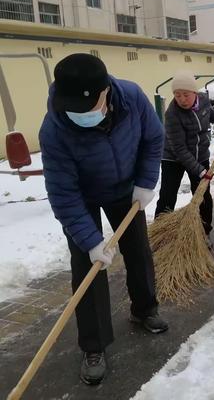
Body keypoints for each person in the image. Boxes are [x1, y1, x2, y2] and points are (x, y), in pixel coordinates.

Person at [39, 54, 167, 386]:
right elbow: (63, 194)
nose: (80, 116)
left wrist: (145, 181)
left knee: (137, 249)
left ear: (105, 92)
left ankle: (144, 309)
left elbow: (153, 139)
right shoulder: (54, 128)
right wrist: (91, 241)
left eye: (87, 109)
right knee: (87, 265)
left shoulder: (132, 98)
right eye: (73, 111)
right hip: (82, 196)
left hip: (125, 187)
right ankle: (93, 345)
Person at [155, 71, 214, 245]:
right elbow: (179, 149)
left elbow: (212, 115)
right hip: (173, 157)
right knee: (167, 195)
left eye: (185, 95)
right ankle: (161, 234)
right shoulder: (172, 114)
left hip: (199, 154)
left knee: (203, 196)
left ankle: (204, 232)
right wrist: (200, 171)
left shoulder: (203, 100)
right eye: (177, 95)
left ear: (194, 93)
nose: (181, 99)